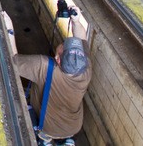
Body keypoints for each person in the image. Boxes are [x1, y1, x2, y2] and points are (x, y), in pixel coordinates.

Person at [6, 9, 91, 146]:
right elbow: (82, 39)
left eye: (63, 45)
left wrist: (9, 29)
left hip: (48, 127)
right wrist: (76, 21)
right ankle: (66, 141)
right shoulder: (85, 67)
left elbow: (14, 61)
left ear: (57, 58)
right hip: (73, 126)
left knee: (45, 132)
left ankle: (45, 140)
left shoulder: (45, 67)